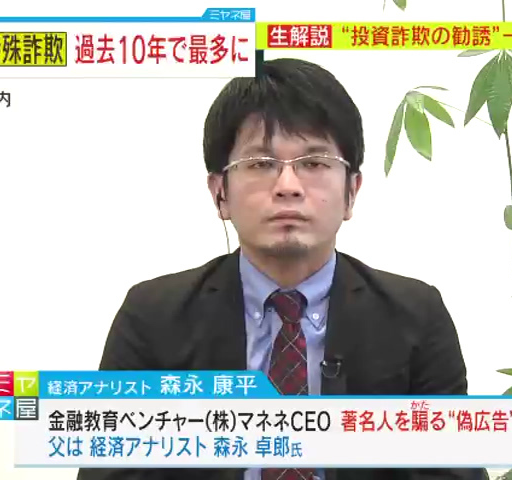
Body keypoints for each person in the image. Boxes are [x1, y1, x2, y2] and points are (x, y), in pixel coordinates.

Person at [78, 58, 484, 480]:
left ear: (351, 191)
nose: (288, 186)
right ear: (220, 193)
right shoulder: (153, 316)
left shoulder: (416, 315)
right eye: (260, 164)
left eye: (314, 163)